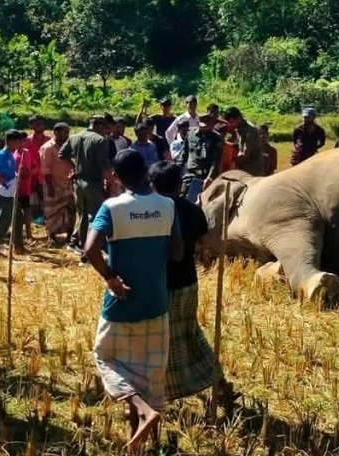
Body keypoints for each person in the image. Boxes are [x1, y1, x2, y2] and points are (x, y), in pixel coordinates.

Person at [85, 149, 183, 451]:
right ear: (145, 171)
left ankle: (142, 410)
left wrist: (111, 278)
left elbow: (90, 249)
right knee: (151, 373)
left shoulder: (111, 208)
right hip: (156, 303)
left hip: (121, 304)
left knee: (105, 357)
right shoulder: (167, 205)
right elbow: (177, 254)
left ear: (116, 176)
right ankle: (143, 439)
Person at [150, 162, 233, 405]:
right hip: (187, 284)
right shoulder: (190, 211)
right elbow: (216, 246)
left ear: (152, 185)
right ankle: (219, 384)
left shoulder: (149, 211)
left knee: (168, 342)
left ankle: (161, 393)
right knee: (189, 335)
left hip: (160, 287)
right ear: (179, 185)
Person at [60, 117, 115, 253]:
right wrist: (111, 180)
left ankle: (81, 244)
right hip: (93, 183)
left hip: (78, 183)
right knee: (95, 216)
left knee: (82, 214)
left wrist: (74, 168)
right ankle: (93, 247)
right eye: (105, 128)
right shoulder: (100, 140)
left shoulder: (75, 137)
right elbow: (104, 164)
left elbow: (62, 155)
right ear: (100, 126)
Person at [0, 130, 26, 257]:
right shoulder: (2, 154)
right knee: (4, 220)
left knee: (19, 216)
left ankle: (18, 245)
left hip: (11, 191)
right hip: (4, 192)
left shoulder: (10, 154)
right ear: (11, 141)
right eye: (18, 141)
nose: (20, 144)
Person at [39, 123, 75, 248]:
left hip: (68, 184)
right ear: (56, 133)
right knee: (52, 212)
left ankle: (70, 237)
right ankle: (52, 237)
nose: (65, 135)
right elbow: (45, 169)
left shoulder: (70, 146)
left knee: (71, 210)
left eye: (67, 132)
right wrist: (50, 187)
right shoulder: (47, 148)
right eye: (63, 132)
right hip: (53, 183)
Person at [182, 115, 222, 204]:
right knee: (185, 201)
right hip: (190, 174)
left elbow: (216, 160)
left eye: (206, 126)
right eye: (202, 125)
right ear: (197, 123)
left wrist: (210, 177)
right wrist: (181, 172)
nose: (204, 128)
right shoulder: (190, 134)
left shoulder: (216, 137)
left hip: (205, 175)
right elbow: (184, 154)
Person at [224, 108, 267, 176]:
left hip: (252, 170)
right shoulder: (239, 128)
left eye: (232, 122)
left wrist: (232, 164)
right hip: (243, 167)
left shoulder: (249, 130)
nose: (230, 125)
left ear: (238, 118)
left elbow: (245, 154)